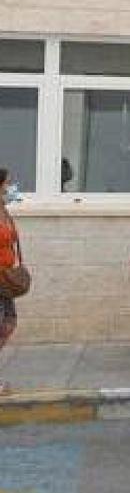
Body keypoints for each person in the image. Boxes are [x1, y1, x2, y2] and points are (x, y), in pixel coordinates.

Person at [0, 168, 22, 396]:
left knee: (8, 324)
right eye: (7, 183)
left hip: (5, 277)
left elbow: (12, 237)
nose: (10, 186)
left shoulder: (4, 210)